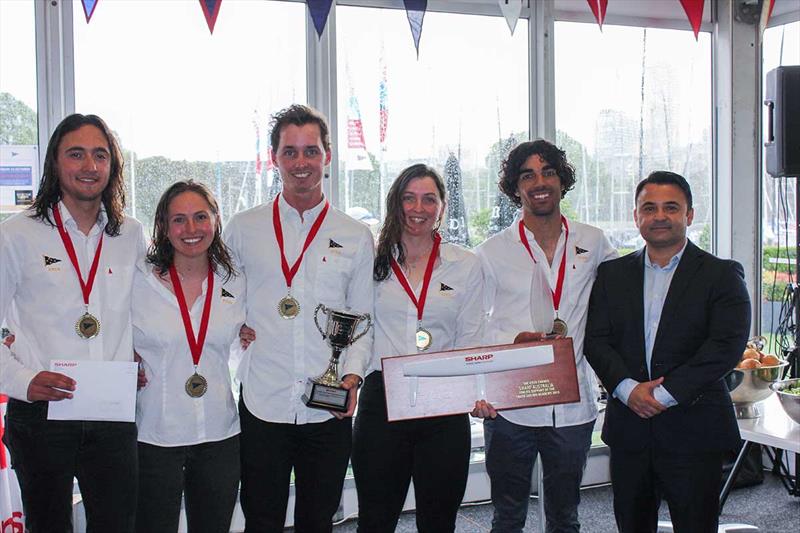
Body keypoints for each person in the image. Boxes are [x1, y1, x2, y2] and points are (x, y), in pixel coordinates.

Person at [224, 104, 374, 532]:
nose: (301, 162)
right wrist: (237, 330)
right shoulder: (243, 227)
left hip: (327, 408)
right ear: (275, 158)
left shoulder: (355, 235)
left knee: (317, 519)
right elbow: (224, 298)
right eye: (290, 152)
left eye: (311, 151)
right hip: (263, 400)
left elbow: (365, 319)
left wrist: (353, 376)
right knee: (262, 517)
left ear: (328, 155)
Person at [0, 113, 145, 531]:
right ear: (55, 163)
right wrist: (19, 379)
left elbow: (155, 311)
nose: (89, 166)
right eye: (76, 154)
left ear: (112, 165)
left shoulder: (130, 235)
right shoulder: (17, 234)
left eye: (100, 155)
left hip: (112, 415)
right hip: (40, 412)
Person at [584, 171, 751, 533]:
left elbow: (725, 347)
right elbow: (596, 341)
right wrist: (629, 390)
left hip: (694, 429)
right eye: (649, 208)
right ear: (636, 216)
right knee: (632, 525)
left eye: (671, 208)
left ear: (689, 215)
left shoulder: (721, 275)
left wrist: (661, 394)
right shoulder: (612, 275)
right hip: (630, 429)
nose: (659, 216)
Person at [473, 140, 616, 533]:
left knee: (566, 515)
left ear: (561, 179)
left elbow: (621, 305)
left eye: (548, 171)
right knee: (507, 515)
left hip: (572, 403)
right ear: (515, 187)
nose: (539, 182)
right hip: (511, 406)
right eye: (528, 175)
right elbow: (474, 326)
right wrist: (505, 348)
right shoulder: (491, 252)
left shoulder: (595, 242)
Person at [351, 164, 484, 532]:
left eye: (429, 199)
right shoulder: (372, 262)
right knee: (376, 519)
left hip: (444, 402)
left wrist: (479, 390)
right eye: (409, 198)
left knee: (438, 521)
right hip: (383, 401)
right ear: (396, 203)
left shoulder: (465, 265)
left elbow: (471, 337)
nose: (418, 208)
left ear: (442, 206)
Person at [132, 181, 246, 532]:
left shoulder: (236, 281)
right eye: (178, 220)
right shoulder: (137, 281)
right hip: (156, 435)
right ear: (164, 227)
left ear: (215, 219)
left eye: (200, 217)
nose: (191, 229)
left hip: (219, 434)